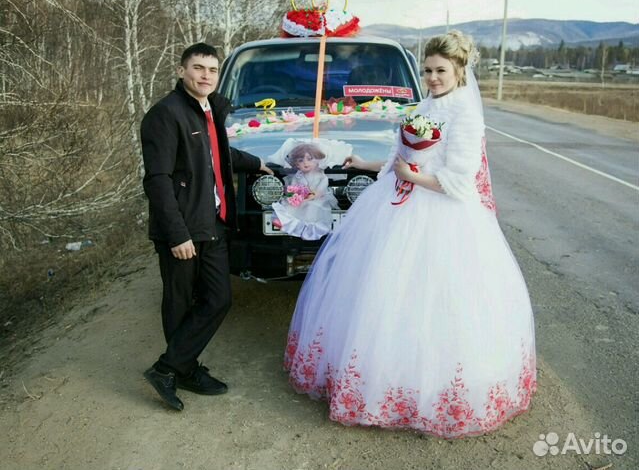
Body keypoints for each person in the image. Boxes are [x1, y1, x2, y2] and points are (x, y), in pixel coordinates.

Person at [284, 31, 536, 438]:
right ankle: (381, 375)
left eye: (441, 70)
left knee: (436, 300)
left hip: (442, 216)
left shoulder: (465, 114)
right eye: (428, 70)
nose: (433, 77)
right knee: (382, 294)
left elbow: (460, 182)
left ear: (459, 71)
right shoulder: (424, 104)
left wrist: (413, 177)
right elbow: (401, 159)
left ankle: (433, 387)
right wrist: (365, 162)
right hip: (396, 204)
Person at [141, 42, 273, 411]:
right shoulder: (165, 115)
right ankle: (180, 369)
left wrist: (258, 162)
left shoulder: (209, 109)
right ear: (183, 70)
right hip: (183, 227)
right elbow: (157, 180)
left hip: (213, 221)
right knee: (180, 302)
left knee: (218, 298)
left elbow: (216, 155)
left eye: (212, 70)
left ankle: (172, 367)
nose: (205, 76)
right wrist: (177, 234)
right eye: (198, 68)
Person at [271, 143, 338, 240]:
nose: (305, 163)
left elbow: (320, 190)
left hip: (316, 198)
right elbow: (293, 188)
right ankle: (284, 222)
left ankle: (310, 230)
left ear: (317, 160)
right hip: (301, 198)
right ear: (296, 164)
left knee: (312, 209)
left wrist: (310, 196)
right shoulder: (298, 176)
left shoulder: (321, 176)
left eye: (310, 159)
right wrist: (293, 195)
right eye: (301, 161)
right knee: (289, 206)